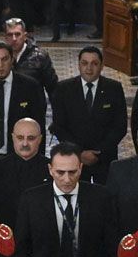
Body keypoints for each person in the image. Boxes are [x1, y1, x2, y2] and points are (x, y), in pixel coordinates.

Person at [13, 143, 118, 257]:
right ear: (50, 169)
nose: (67, 179)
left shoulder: (101, 197)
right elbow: (23, 249)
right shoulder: (31, 200)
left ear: (81, 168)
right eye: (60, 172)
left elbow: (110, 246)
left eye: (72, 172)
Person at [51, 46, 126, 185]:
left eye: (94, 63)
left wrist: (99, 152)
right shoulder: (64, 89)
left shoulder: (114, 88)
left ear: (102, 66)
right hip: (74, 160)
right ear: (78, 65)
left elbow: (119, 126)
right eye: (84, 63)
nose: (89, 68)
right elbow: (59, 126)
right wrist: (80, 153)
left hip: (105, 159)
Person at [0, 118, 50, 226]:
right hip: (3, 235)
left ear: (40, 139)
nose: (25, 143)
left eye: (31, 138)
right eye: (20, 138)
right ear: (13, 137)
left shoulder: (51, 169)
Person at [5, 18, 58, 99]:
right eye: (10, 35)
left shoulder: (40, 57)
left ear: (25, 36)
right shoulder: (0, 57)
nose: (14, 39)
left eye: (17, 34)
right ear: (5, 37)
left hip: (33, 106)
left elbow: (53, 88)